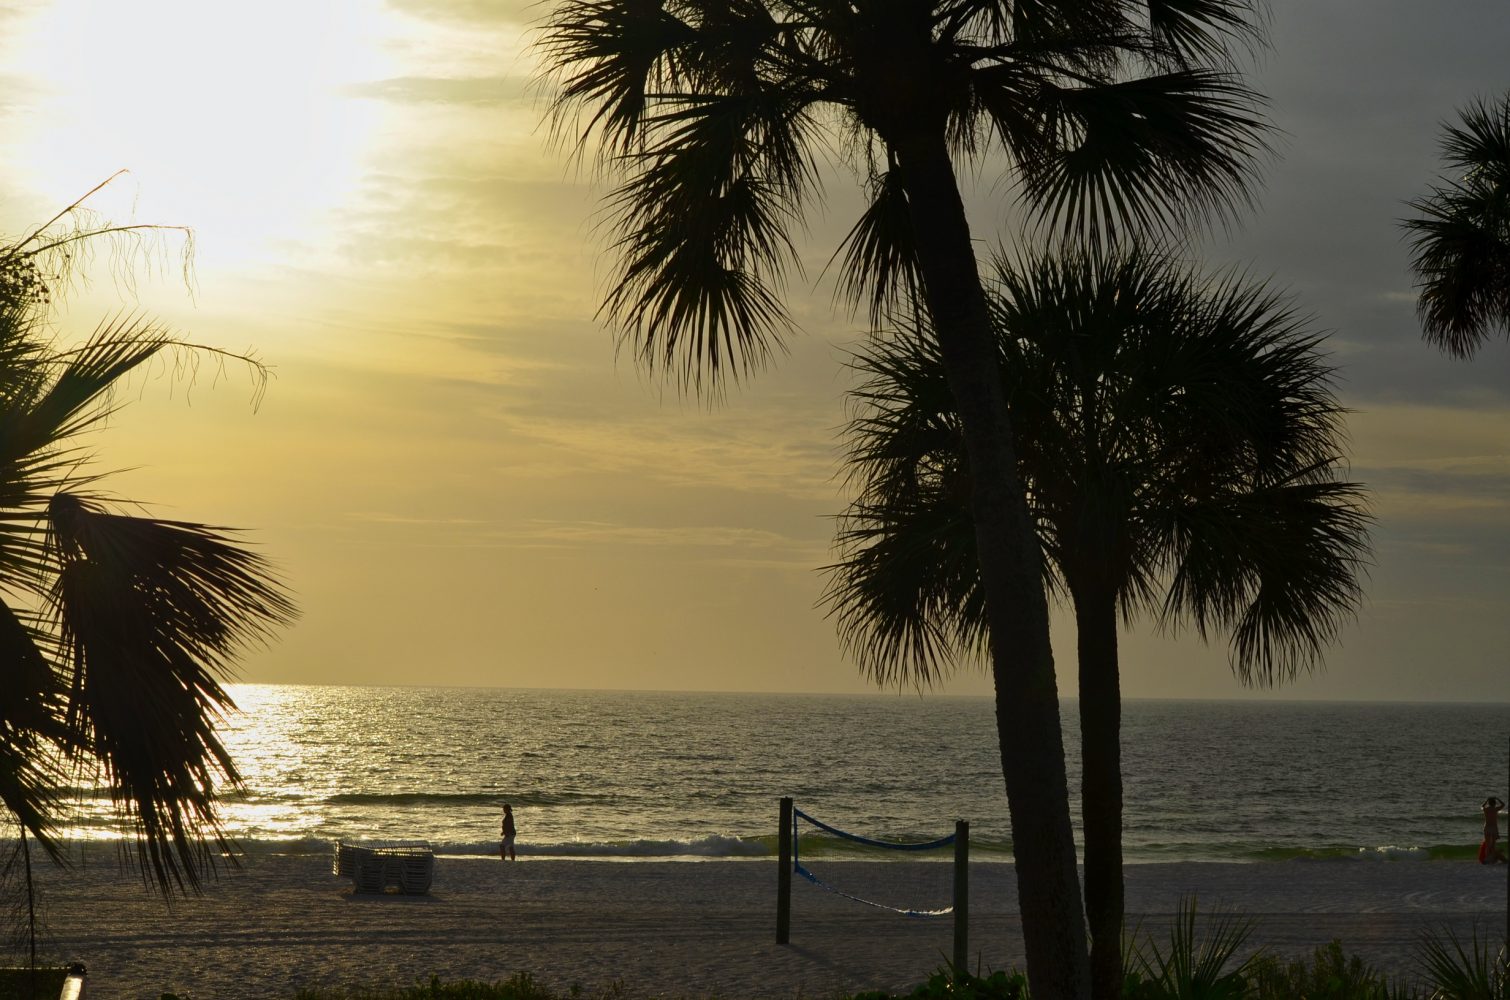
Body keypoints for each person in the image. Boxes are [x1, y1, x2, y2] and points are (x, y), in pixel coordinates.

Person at [1481, 796, 1505, 864]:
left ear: (1489, 803)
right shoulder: (1495, 809)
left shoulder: (1486, 809)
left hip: (1487, 827)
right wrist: (1497, 799)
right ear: (1494, 803)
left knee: (1488, 845)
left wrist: (1486, 801)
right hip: (1494, 828)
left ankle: (1487, 859)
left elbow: (1482, 806)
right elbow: (1503, 804)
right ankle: (1492, 858)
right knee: (1493, 845)